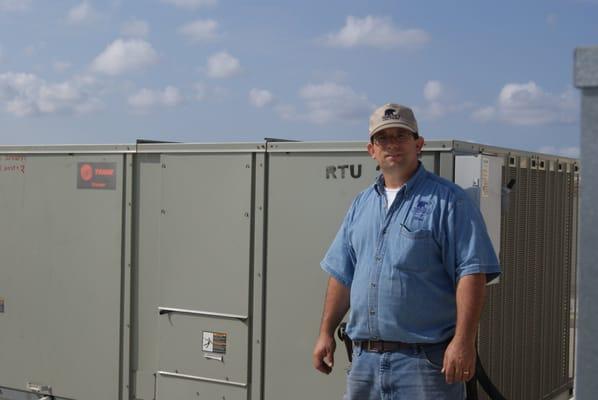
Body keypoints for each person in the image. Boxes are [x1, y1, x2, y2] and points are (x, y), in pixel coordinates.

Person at [312, 103, 501, 399]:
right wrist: (326, 332)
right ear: (371, 150)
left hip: (425, 365)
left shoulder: (449, 201)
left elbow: (472, 272)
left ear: (419, 144)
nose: (392, 144)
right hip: (365, 363)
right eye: (383, 138)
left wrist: (464, 341)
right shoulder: (361, 205)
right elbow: (342, 273)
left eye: (401, 136)